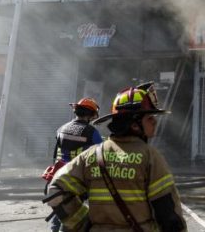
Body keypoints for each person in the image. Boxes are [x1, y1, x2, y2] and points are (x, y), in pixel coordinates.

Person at [45, 82, 186, 232]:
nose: (155, 122)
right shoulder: (150, 157)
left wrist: (83, 224)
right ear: (135, 125)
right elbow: (170, 217)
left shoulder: (91, 154)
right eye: (150, 117)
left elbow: (55, 191)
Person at [47, 98, 103, 231]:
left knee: (60, 211)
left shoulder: (62, 128)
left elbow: (56, 154)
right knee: (75, 216)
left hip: (59, 177)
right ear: (90, 115)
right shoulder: (91, 131)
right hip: (78, 179)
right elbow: (101, 153)